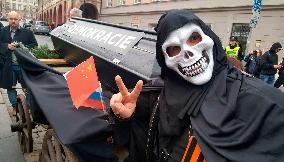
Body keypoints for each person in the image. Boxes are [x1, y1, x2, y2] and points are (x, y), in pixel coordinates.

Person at [110, 10, 284, 162]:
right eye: (174, 49)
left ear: (210, 38)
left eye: (194, 38)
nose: (188, 52)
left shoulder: (259, 101)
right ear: (165, 60)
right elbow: (134, 126)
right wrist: (123, 114)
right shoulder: (159, 91)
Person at [0, 11, 38, 115]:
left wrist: (22, 48)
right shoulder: (2, 32)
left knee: (28, 87)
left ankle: (28, 108)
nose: (13, 21)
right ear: (8, 19)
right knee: (10, 86)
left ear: (19, 20)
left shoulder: (28, 32)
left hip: (23, 66)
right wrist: (6, 46)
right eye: (11, 19)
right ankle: (14, 107)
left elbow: (34, 45)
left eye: (15, 19)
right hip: (8, 65)